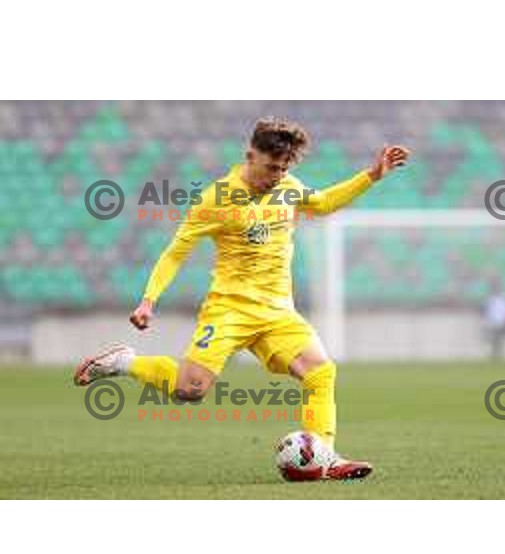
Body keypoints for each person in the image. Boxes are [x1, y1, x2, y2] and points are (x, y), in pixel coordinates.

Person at [74, 117, 410, 480]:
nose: (278, 175)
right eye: (271, 167)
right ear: (250, 155)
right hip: (229, 309)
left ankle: (324, 457)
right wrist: (148, 300)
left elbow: (323, 203)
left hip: (277, 312)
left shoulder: (288, 187)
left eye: (284, 167)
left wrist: (372, 175)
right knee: (190, 390)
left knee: (321, 372)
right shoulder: (217, 199)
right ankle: (125, 362)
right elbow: (176, 251)